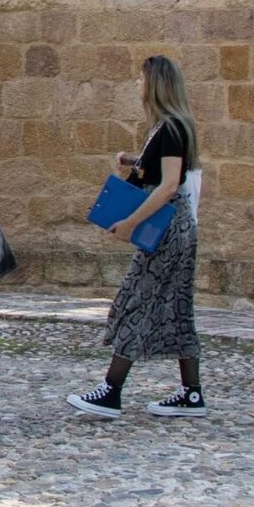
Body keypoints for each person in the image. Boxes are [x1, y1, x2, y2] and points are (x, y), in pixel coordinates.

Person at [70, 54, 209, 420]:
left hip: (168, 230)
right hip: (177, 230)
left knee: (137, 301)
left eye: (141, 78)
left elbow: (167, 186)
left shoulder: (172, 128)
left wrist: (130, 222)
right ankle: (191, 394)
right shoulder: (167, 127)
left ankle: (111, 392)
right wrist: (134, 161)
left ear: (156, 85)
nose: (137, 84)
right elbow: (165, 168)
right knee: (176, 307)